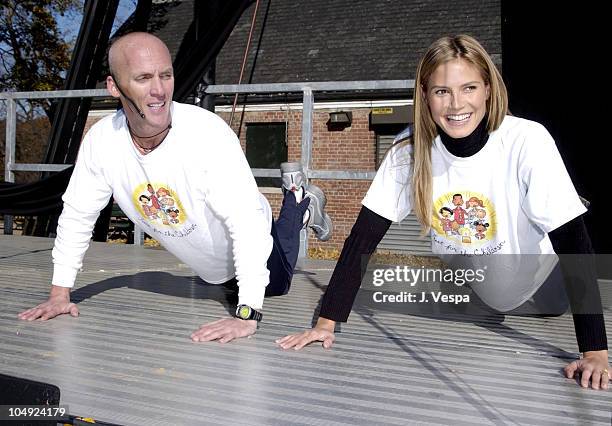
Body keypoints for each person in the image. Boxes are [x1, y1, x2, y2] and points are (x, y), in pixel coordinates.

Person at [277, 35, 610, 390]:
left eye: (468, 88)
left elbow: (573, 241)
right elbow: (363, 238)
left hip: (542, 285)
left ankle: (564, 201)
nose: (455, 104)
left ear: (488, 90)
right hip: (480, 284)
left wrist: (595, 353)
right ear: (424, 95)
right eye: (441, 92)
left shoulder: (526, 140)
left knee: (556, 243)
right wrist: (325, 323)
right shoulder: (409, 151)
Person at [17, 32, 333, 343]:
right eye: (143, 78)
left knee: (275, 286)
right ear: (113, 86)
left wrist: (247, 315)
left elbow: (247, 227)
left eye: (165, 75)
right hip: (213, 266)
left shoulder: (207, 135)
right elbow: (78, 215)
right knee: (223, 280)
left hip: (254, 242)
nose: (159, 91)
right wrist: (60, 293)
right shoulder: (102, 142)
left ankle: (298, 202)